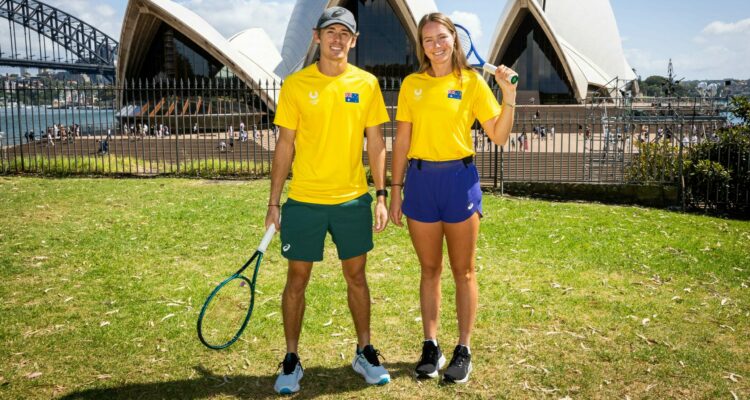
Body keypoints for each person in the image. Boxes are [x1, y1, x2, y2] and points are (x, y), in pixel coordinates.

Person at [265, 6, 390, 395]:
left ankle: (364, 351)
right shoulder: (296, 85)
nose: (337, 39)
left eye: (345, 33)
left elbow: (376, 143)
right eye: (330, 32)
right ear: (316, 37)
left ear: (354, 41)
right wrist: (274, 202)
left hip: (352, 200)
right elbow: (285, 145)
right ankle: (291, 359)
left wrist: (381, 195)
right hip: (304, 200)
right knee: (296, 280)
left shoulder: (367, 84)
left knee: (356, 277)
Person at [388, 12, 517, 384]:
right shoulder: (412, 84)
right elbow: (403, 142)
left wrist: (508, 96)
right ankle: (431, 345)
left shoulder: (473, 82)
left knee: (464, 271)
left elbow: (499, 135)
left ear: (454, 40)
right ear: (421, 46)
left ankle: (463, 348)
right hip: (422, 183)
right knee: (429, 270)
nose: (436, 45)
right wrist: (395, 190)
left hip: (460, 182)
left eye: (442, 37)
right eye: (428, 40)